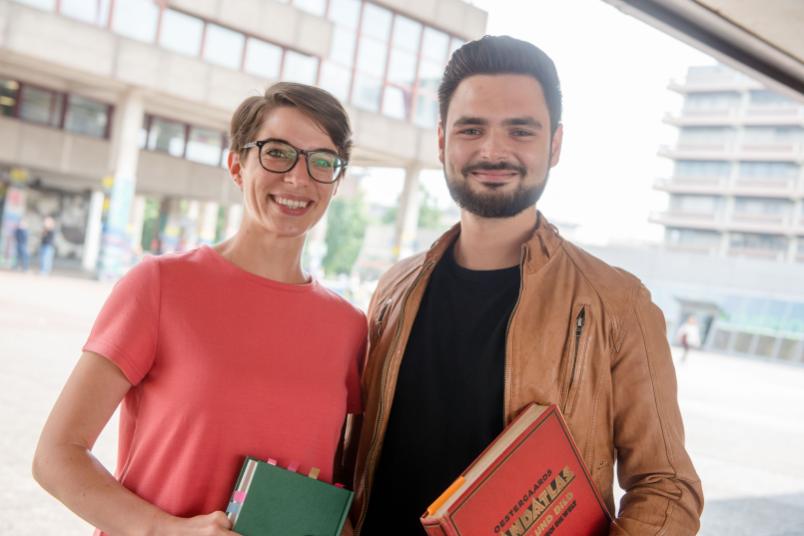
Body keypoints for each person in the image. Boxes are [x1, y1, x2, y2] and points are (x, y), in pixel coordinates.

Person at [351, 36, 703, 535]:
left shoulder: (617, 303)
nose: (493, 150)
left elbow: (667, 486)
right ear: (441, 142)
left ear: (555, 145)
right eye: (471, 129)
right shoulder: (393, 289)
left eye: (521, 131)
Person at [33, 82, 366, 535]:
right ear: (237, 165)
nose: (299, 178)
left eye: (322, 161)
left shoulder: (349, 329)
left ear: (337, 181)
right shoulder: (159, 286)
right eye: (277, 153)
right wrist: (166, 529)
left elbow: (330, 492)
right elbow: (56, 456)